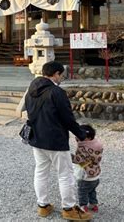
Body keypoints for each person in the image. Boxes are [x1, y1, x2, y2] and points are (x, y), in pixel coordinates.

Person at [24, 61, 92, 221]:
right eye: (61, 75)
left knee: (41, 172)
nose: (62, 78)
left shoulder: (31, 89)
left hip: (37, 139)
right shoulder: (57, 92)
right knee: (65, 174)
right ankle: (69, 208)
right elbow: (68, 118)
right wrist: (81, 134)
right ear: (55, 74)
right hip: (55, 140)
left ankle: (43, 206)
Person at [72, 124, 103, 213]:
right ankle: (94, 205)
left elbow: (79, 160)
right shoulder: (97, 145)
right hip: (96, 177)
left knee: (82, 192)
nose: (78, 138)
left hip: (86, 177)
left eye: (80, 136)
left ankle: (83, 206)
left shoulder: (84, 147)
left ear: (88, 138)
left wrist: (69, 156)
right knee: (92, 191)